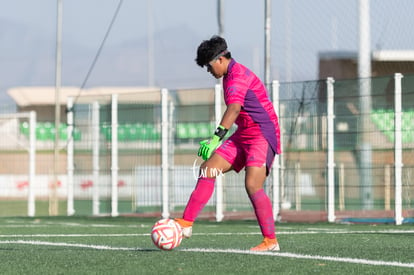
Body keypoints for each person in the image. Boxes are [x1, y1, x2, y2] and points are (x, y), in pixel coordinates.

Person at [175, 35, 281, 251]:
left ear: (220, 60)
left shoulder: (236, 76)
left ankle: (271, 241)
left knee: (252, 185)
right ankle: (186, 224)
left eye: (209, 65)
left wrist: (215, 138)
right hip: (244, 134)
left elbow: (233, 109)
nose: (208, 71)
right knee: (208, 170)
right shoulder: (229, 75)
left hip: (262, 134)